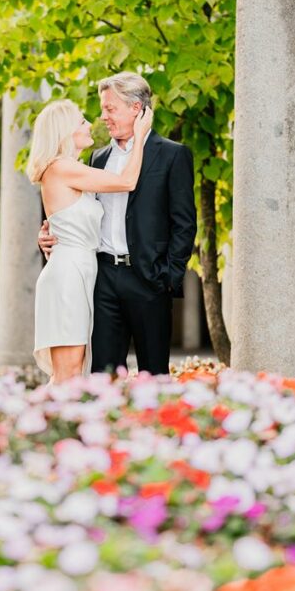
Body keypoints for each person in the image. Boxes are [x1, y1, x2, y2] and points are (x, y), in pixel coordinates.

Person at [38, 72, 197, 376]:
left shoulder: (173, 155)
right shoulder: (96, 159)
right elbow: (70, 209)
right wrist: (49, 234)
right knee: (102, 374)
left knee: (154, 374)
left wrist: (168, 277)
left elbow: (185, 224)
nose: (103, 117)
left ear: (136, 109)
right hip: (102, 278)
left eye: (110, 109)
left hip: (150, 279)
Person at [27, 98, 153, 383]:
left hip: (80, 270)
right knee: (68, 373)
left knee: (75, 370)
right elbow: (126, 182)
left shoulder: (73, 168)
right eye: (82, 121)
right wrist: (141, 134)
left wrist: (47, 232)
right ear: (66, 130)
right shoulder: (61, 167)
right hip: (68, 274)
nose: (90, 125)